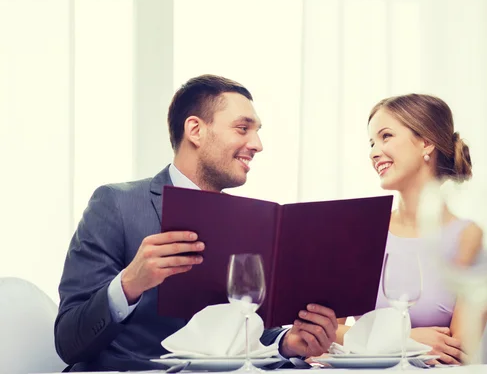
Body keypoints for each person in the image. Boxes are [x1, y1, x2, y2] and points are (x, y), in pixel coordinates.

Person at [55, 74, 338, 371]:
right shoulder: (116, 204)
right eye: (243, 128)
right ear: (195, 130)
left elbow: (245, 327)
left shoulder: (248, 222)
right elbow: (68, 341)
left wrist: (286, 342)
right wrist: (129, 284)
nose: (257, 144)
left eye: (256, 131)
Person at [336, 94, 483, 365]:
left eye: (386, 136)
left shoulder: (468, 237)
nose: (373, 152)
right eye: (371, 142)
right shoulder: (361, 231)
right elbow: (322, 334)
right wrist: (404, 340)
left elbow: (456, 351)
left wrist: (366, 340)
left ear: (426, 142)